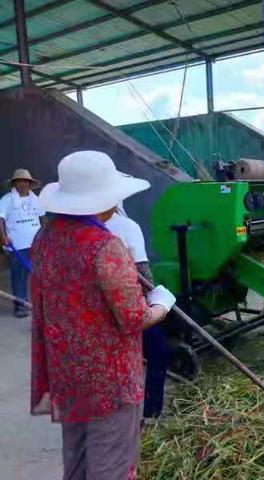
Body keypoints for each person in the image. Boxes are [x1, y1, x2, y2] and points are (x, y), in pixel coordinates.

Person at [30, 151, 176, 480]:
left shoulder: (45, 239)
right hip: (109, 380)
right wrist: (162, 304)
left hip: (67, 369)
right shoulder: (105, 247)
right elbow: (134, 318)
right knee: (111, 462)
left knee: (78, 458)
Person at [105, 212, 169, 421]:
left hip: (89, 314)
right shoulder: (126, 226)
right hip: (124, 307)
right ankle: (150, 414)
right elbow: (143, 274)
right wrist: (159, 303)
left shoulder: (65, 229)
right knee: (158, 350)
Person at [0, 169, 45, 317]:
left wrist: (47, 236)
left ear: (30, 183)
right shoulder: (7, 199)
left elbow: (42, 219)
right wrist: (3, 237)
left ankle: (38, 305)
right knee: (18, 275)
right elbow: (1, 220)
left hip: (36, 243)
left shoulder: (35, 199)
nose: (23, 183)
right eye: (20, 180)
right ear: (15, 183)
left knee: (37, 275)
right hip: (18, 244)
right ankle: (20, 306)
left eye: (26, 181)